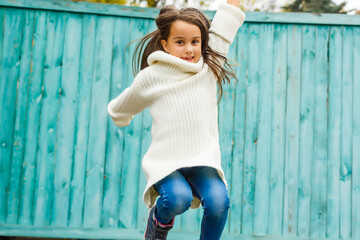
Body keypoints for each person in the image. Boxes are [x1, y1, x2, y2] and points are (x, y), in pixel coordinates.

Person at [107, 1, 245, 239]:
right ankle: (156, 227)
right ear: (165, 44)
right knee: (177, 198)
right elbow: (125, 103)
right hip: (166, 163)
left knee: (219, 202)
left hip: (202, 161)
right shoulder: (151, 77)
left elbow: (226, 22)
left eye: (195, 42)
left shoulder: (208, 69)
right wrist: (121, 116)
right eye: (180, 42)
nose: (189, 49)